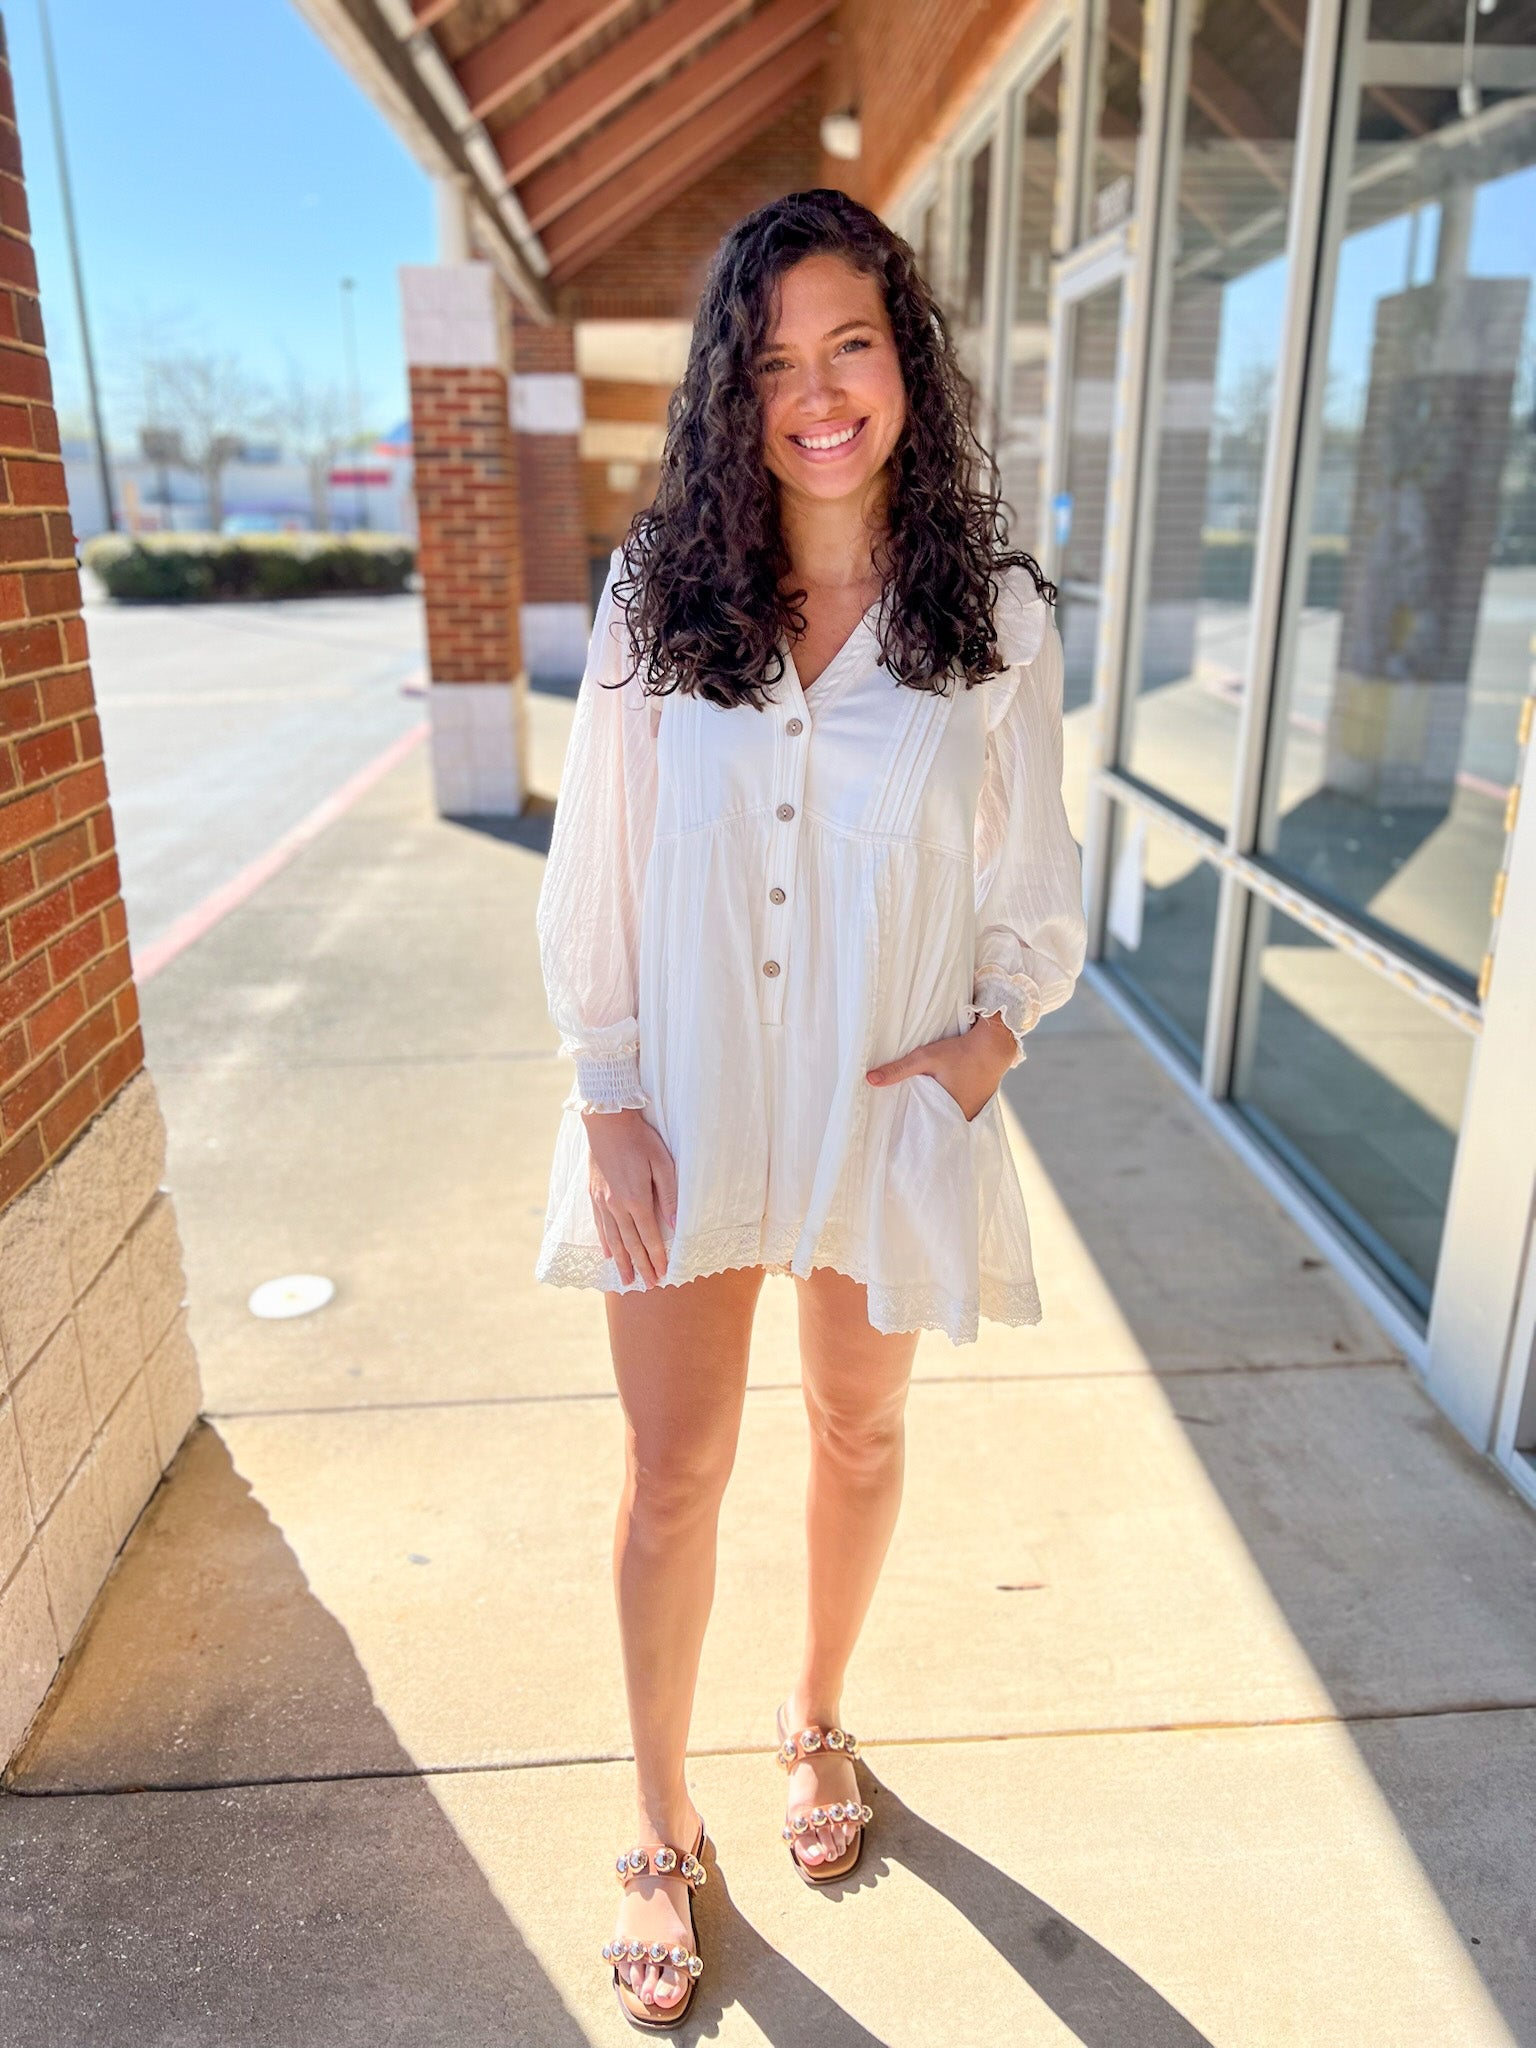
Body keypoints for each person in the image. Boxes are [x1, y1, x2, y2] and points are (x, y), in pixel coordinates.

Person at [534, 187, 1085, 2031]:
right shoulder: (656, 597)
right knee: (672, 1472)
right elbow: (597, 860)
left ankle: (816, 1717)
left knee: (857, 1431)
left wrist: (994, 1037)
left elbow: (1034, 873)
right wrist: (609, 1092)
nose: (820, 394)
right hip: (683, 1105)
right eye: (775, 364)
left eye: (852, 345)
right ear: (733, 394)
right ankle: (655, 1821)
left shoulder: (993, 619)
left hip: (877, 1105)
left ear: (904, 361)